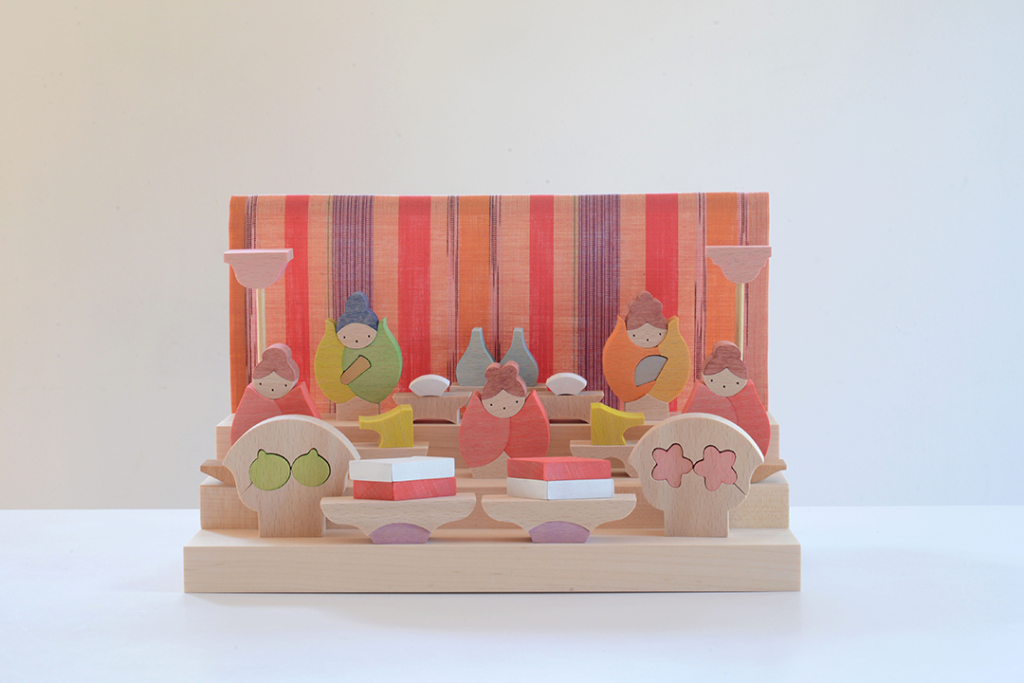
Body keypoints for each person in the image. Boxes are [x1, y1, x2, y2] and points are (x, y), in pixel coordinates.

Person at [682, 341, 770, 456]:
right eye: (713, 380)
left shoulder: (747, 397)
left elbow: (758, 427)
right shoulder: (703, 394)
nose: (724, 385)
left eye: (735, 382)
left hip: (742, 451)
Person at [230, 343, 319, 445]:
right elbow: (242, 427)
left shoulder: (296, 397)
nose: (273, 388)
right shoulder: (252, 397)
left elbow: (311, 431)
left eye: (283, 384)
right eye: (262, 382)